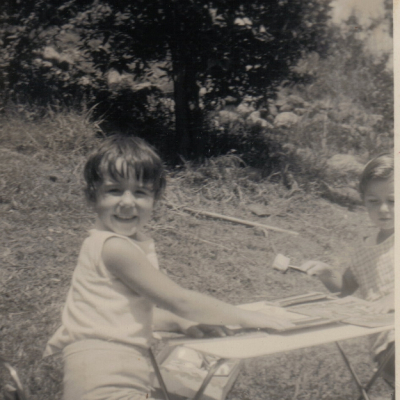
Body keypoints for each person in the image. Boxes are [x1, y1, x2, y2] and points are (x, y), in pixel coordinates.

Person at [44, 135, 293, 400]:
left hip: (112, 376)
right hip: (103, 384)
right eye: (114, 190)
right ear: (92, 197)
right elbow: (179, 300)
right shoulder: (115, 248)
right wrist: (244, 317)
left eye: (140, 192)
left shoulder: (118, 243)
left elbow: (122, 313)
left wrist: (179, 323)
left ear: (154, 198)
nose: (127, 202)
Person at [301, 153, 395, 388]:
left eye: (393, 200)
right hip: (385, 342)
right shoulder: (365, 246)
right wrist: (327, 273)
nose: (383, 209)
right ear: (363, 200)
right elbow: (344, 289)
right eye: (373, 201)